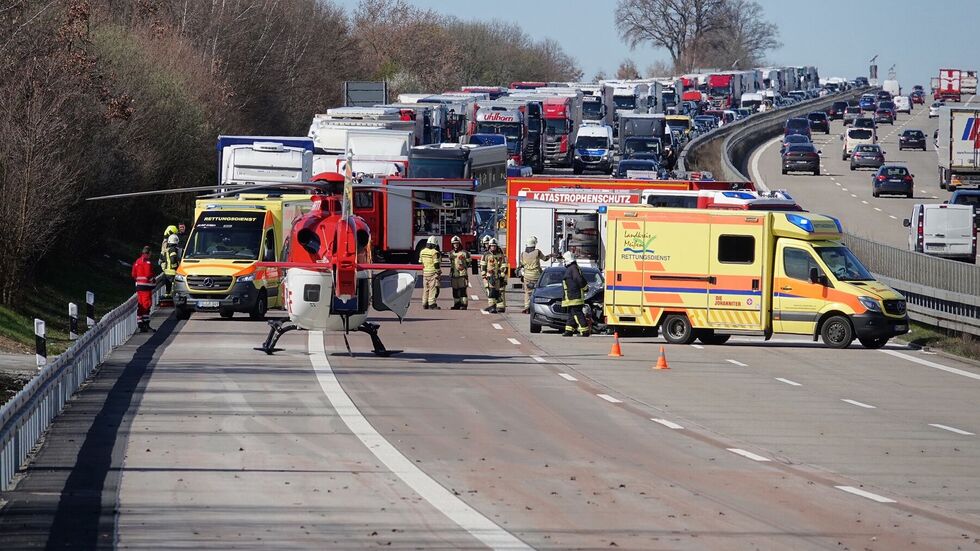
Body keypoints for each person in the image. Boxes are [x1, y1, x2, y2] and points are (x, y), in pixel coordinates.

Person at [519, 236, 552, 314]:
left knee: (527, 292)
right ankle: (536, 307)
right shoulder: (537, 252)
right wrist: (551, 255)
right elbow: (545, 259)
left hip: (527, 275)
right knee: (537, 291)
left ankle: (527, 307)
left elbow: (522, 264)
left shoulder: (522, 254)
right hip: (536, 275)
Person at [561, 251, 590, 337]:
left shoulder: (573, 268)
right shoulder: (573, 268)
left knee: (577, 313)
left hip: (574, 297)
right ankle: (569, 330)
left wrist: (585, 287)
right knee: (572, 314)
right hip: (571, 297)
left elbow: (579, 279)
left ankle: (585, 331)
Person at [480, 238, 508, 313]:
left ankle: (500, 307)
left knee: (498, 291)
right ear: (489, 246)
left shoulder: (500, 255)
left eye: (494, 246)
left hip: (498, 276)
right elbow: (483, 265)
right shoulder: (486, 255)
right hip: (490, 276)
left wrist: (502, 274)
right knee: (491, 291)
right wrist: (484, 275)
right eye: (492, 246)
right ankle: (492, 307)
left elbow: (504, 265)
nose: (493, 247)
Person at [132, 246, 156, 332]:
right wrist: (153, 281)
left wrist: (138, 280)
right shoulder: (148, 262)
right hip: (146, 287)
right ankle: (145, 324)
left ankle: (140, 323)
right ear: (148, 253)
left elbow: (133, 274)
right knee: (146, 305)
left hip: (139, 286)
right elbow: (149, 274)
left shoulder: (137, 261)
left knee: (141, 304)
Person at [448, 235, 471, 310]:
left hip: (462, 274)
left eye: (457, 243)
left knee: (462, 290)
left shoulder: (465, 253)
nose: (456, 245)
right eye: (454, 243)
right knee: (455, 290)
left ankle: (464, 304)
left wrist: (463, 266)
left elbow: (469, 262)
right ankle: (456, 304)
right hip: (454, 274)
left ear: (460, 243)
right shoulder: (451, 253)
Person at [419, 236, 441, 310]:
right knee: (433, 288)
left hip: (425, 272)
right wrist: (438, 271)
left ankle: (424, 303)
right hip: (432, 273)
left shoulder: (422, 251)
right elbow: (436, 263)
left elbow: (420, 261)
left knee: (426, 288)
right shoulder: (434, 252)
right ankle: (432, 304)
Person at [159, 234, 182, 300]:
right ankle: (173, 297)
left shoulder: (166, 250)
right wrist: (176, 267)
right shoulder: (173, 250)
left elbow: (162, 260)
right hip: (173, 272)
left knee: (168, 286)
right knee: (174, 286)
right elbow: (173, 259)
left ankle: (167, 296)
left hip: (166, 273)